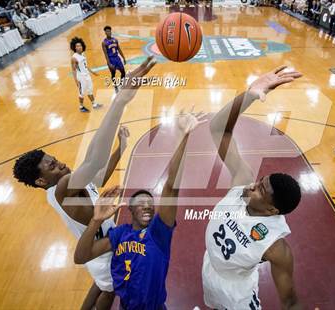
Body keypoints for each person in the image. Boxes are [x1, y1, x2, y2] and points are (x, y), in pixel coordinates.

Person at [13, 56, 157, 310]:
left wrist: (120, 148)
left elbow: (98, 175)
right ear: (40, 180)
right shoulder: (62, 187)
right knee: (108, 293)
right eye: (52, 166)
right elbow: (93, 160)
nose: (60, 164)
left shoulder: (69, 185)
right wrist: (120, 101)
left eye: (55, 159)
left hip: (98, 246)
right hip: (99, 250)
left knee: (101, 286)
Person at [74, 110, 207, 309]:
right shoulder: (119, 234)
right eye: (141, 202)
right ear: (130, 210)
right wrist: (96, 220)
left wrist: (183, 136)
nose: (147, 205)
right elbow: (81, 257)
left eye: (150, 203)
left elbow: (171, 186)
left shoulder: (159, 233)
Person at [202, 66, 303, 310]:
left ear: (271, 211)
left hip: (238, 293)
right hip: (210, 270)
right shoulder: (243, 182)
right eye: (260, 181)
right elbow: (218, 128)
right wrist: (248, 94)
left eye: (260, 190)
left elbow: (289, 301)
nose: (252, 186)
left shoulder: (276, 247)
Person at [70, 37, 102, 112]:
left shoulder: (83, 54)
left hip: (87, 75)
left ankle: (94, 104)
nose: (79, 47)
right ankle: (81, 107)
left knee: (90, 90)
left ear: (82, 46)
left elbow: (85, 65)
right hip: (81, 78)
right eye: (77, 46)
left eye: (80, 45)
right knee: (81, 93)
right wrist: (76, 81)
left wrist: (92, 72)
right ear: (74, 47)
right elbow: (74, 70)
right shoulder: (74, 58)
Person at [102, 26, 126, 93]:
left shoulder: (115, 40)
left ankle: (121, 84)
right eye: (107, 31)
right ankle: (115, 86)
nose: (108, 32)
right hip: (111, 59)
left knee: (123, 72)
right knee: (113, 73)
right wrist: (109, 63)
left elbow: (119, 49)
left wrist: (123, 58)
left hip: (117, 58)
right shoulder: (104, 42)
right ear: (105, 33)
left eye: (109, 31)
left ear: (111, 31)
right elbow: (105, 54)